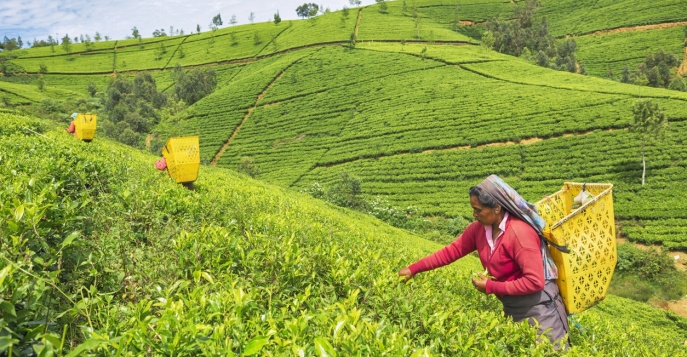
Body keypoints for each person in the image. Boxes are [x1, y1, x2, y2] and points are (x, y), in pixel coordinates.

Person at [398, 174, 570, 349]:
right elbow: (450, 252)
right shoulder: (478, 230)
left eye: (478, 210)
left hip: (540, 308)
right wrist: (413, 269)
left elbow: (535, 282)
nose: (474, 214)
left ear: (496, 207)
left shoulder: (520, 233)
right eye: (473, 209)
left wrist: (491, 287)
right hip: (512, 306)